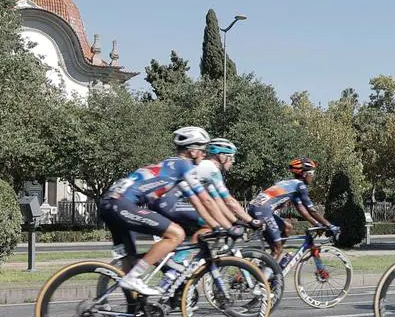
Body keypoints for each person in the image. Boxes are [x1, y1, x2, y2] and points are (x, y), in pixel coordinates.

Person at [98, 127, 243, 299]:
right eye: (203, 150)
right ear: (193, 151)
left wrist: (215, 226)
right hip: (121, 204)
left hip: (109, 204)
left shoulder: (171, 165)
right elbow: (206, 200)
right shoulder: (184, 166)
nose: (205, 155)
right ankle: (138, 275)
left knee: (129, 263)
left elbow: (197, 202)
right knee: (176, 234)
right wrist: (221, 227)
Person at [248, 158, 339, 261]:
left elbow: (301, 209)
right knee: (277, 250)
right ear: (304, 174)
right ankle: (267, 273)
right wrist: (330, 225)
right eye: (311, 173)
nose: (312, 177)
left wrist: (317, 224)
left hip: (257, 208)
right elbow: (312, 210)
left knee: (287, 228)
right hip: (263, 211)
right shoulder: (300, 186)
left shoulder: (291, 184)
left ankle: (270, 262)